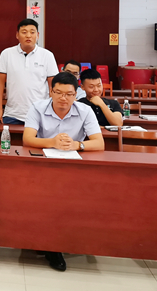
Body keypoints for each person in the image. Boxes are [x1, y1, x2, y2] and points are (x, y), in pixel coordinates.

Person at [23, 71, 104, 272]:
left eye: (69, 94)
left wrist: (77, 145)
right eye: (58, 93)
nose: (63, 98)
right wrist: (52, 142)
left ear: (76, 94)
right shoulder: (37, 107)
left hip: (73, 167)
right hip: (42, 166)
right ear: (51, 92)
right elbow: (27, 139)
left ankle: (60, 242)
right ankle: (44, 242)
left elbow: (99, 143)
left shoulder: (85, 110)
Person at [0, 19, 59, 125]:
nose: (28, 36)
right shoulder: (7, 54)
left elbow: (53, 86)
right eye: (24, 32)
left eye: (32, 32)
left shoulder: (47, 55)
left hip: (40, 114)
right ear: (17, 35)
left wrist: (53, 111)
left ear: (37, 35)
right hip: (13, 114)